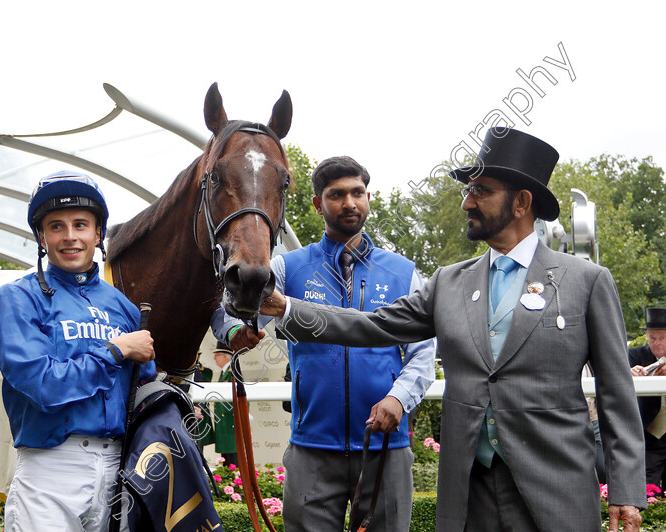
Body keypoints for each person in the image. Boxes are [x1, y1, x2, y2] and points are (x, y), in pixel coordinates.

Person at [260, 128, 645, 532]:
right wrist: (287, 308)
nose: (466, 202)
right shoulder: (449, 282)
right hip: (469, 496)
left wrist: (627, 491)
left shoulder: (586, 281)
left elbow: (617, 393)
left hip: (557, 490)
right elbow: (372, 326)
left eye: (480, 191)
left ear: (522, 202)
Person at [212, 156, 436, 532]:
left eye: (357, 193)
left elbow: (423, 353)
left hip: (385, 446)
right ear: (318, 204)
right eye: (336, 195)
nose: (349, 203)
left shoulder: (402, 272)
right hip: (311, 447)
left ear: (368, 198)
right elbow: (228, 310)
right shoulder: (288, 268)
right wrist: (235, 330)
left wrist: (398, 399)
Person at [0, 170, 156, 531]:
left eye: (81, 224)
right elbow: (43, 386)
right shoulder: (16, 299)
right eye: (56, 226)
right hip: (51, 468)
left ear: (98, 234)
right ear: (41, 237)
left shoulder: (122, 305)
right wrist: (114, 352)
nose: (70, 237)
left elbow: (142, 385)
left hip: (119, 468)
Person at [629, 308, 666, 488]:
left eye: (662, 338)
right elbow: (615, 373)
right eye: (652, 338)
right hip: (650, 433)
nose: (657, 344)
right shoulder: (635, 355)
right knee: (648, 487)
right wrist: (629, 372)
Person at [210, 341, 238, 468]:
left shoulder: (232, 372)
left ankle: (235, 483)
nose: (215, 358)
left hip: (230, 420)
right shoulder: (224, 372)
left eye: (218, 355)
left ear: (225, 356)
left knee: (233, 458)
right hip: (224, 421)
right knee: (226, 458)